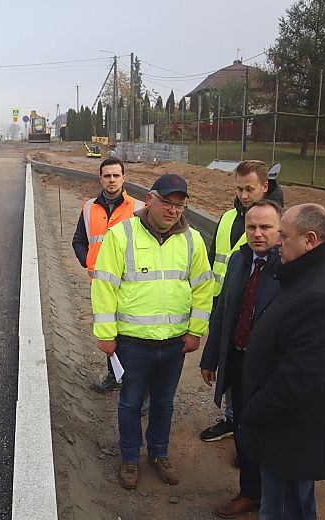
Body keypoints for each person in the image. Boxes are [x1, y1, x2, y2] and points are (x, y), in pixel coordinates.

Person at [238, 203, 325, 520]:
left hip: (291, 436)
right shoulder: (314, 273)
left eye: (283, 235)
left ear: (310, 239)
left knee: (282, 510)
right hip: (292, 432)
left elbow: (298, 381)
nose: (276, 242)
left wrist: (252, 412)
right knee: (293, 502)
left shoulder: (322, 296)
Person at [91, 173, 213, 490]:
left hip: (173, 344)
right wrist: (106, 334)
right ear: (150, 199)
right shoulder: (122, 236)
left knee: (163, 402)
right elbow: (104, 286)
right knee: (130, 403)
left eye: (179, 205)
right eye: (167, 203)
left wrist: (195, 330)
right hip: (133, 343)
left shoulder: (192, 239)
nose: (173, 210)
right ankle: (130, 457)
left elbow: (203, 288)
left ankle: (158, 453)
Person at [199, 200, 282, 518]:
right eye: (251, 227)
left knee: (270, 435)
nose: (258, 234)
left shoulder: (286, 267)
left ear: (279, 230)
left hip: (271, 370)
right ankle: (250, 493)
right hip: (237, 360)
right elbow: (224, 312)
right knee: (244, 431)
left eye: (266, 227)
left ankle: (275, 499)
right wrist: (211, 357)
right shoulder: (238, 260)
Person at [200, 159, 284, 444]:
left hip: (258, 318)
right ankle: (234, 421)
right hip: (226, 304)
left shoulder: (279, 225)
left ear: (265, 186)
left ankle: (250, 435)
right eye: (239, 189)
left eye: (250, 189)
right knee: (232, 369)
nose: (244, 195)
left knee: (257, 379)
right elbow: (215, 260)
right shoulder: (227, 218)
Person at [72, 157, 143, 393]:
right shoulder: (89, 207)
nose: (111, 180)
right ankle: (114, 375)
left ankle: (141, 389)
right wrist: (88, 260)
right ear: (100, 178)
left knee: (135, 336)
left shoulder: (138, 208)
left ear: (124, 177)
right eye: (107, 176)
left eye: (116, 175)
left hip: (131, 285)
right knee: (108, 330)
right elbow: (79, 241)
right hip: (101, 285)